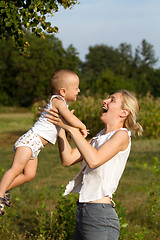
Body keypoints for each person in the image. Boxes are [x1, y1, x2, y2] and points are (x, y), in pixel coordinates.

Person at [45, 90, 143, 240]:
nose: (105, 101)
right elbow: (68, 159)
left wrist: (71, 128)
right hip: (84, 212)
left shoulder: (122, 135)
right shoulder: (99, 136)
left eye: (112, 100)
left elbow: (94, 160)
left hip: (100, 216)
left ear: (124, 113)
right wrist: (60, 129)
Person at [0, 69, 88, 215]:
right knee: (16, 169)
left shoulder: (61, 103)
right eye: (76, 87)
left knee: (29, 175)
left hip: (36, 146)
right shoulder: (58, 101)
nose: (79, 90)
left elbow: (66, 121)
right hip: (30, 141)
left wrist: (74, 126)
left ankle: (4, 188)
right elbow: (70, 119)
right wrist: (82, 126)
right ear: (63, 91)